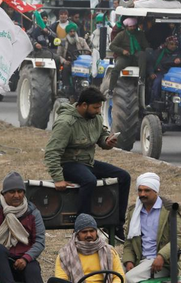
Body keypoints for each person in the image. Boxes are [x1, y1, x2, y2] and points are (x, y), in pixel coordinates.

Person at [44, 87, 130, 238]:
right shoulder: (66, 123)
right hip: (68, 164)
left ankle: (117, 224)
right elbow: (52, 152)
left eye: (99, 108)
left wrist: (107, 142)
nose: (98, 111)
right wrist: (58, 178)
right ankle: (82, 226)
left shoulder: (95, 118)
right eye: (95, 107)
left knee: (124, 176)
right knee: (89, 180)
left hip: (87, 163)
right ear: (83, 105)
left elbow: (101, 137)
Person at [123, 173, 181, 283]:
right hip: (139, 260)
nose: (142, 194)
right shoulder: (134, 211)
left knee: (129, 278)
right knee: (113, 275)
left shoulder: (169, 210)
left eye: (147, 190)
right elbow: (129, 241)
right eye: (140, 190)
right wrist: (128, 260)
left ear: (155, 191)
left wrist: (161, 256)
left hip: (160, 263)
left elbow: (180, 238)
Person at [55, 214, 125, 283]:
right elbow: (61, 281)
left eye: (92, 231)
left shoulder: (109, 251)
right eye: (84, 232)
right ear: (77, 233)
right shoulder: (64, 255)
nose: (89, 235)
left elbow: (119, 276)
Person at [107, 17, 149, 93]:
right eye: (130, 26)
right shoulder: (121, 35)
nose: (132, 28)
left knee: (142, 55)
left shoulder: (140, 34)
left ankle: (141, 79)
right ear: (127, 27)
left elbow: (146, 46)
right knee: (116, 69)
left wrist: (148, 50)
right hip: (124, 57)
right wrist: (122, 51)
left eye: (134, 26)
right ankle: (111, 89)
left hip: (136, 56)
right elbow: (112, 46)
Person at [57, 22, 90, 96]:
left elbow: (88, 50)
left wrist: (85, 55)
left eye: (74, 31)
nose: (72, 33)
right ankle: (67, 87)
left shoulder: (81, 41)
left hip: (80, 63)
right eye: (70, 31)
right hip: (69, 63)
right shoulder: (62, 42)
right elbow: (58, 55)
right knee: (65, 69)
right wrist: (64, 61)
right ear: (68, 32)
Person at [148, 36, 181, 102]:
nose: (173, 46)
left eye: (175, 44)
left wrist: (179, 60)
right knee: (157, 83)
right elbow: (151, 63)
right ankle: (154, 101)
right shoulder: (159, 52)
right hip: (162, 72)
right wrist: (151, 73)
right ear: (166, 44)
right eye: (171, 44)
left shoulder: (178, 52)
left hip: (174, 73)